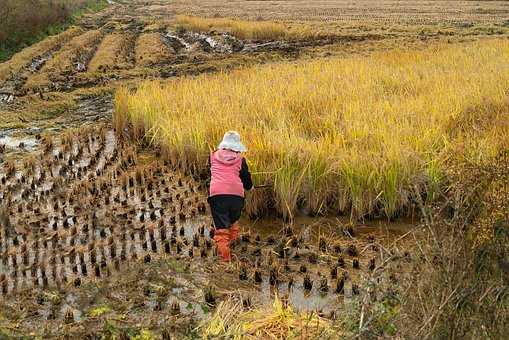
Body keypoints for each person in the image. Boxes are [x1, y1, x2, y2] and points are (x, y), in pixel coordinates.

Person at [208, 131, 253, 262]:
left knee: (222, 231)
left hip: (217, 195)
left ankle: (225, 262)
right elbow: (246, 179)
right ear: (237, 146)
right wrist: (250, 187)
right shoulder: (240, 159)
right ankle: (234, 251)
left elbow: (211, 172)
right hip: (237, 197)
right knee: (233, 224)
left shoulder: (213, 156)